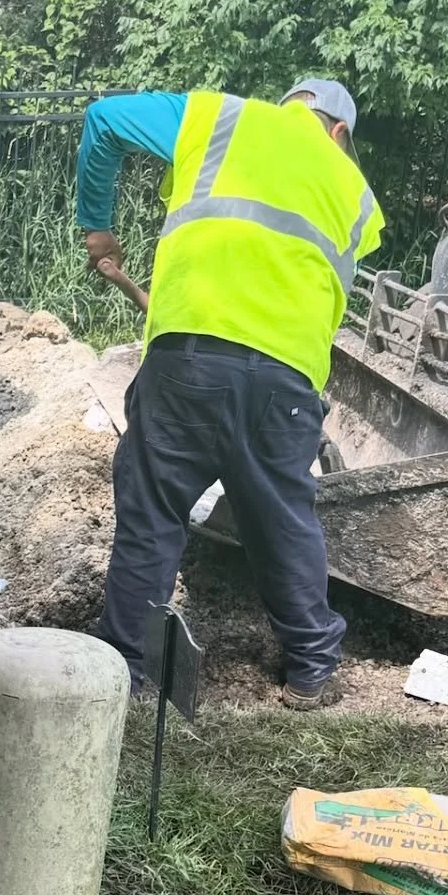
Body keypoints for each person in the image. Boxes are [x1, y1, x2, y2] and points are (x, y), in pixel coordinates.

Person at [77, 78, 384, 710]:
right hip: (286, 385)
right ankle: (310, 668)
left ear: (289, 105)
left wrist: (98, 229)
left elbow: (104, 119)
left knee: (154, 516)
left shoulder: (219, 118)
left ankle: (125, 671)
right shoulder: (359, 197)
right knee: (282, 521)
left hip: (184, 367)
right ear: (339, 133)